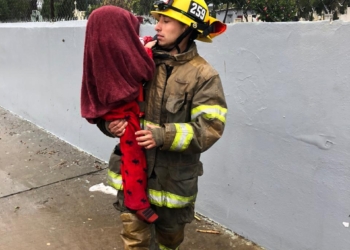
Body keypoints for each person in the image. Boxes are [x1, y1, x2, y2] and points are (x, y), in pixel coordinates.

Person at [97, 0, 228, 249]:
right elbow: (112, 104)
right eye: (157, 20)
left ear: (188, 29)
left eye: (166, 21)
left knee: (169, 242)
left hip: (172, 184)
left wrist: (163, 136)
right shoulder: (138, 62)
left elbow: (211, 127)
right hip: (132, 179)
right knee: (135, 241)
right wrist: (108, 124)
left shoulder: (204, 76)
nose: (157, 27)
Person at [80, 5, 158, 223]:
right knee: (133, 158)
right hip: (127, 114)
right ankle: (137, 202)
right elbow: (144, 69)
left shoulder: (101, 51)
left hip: (117, 111)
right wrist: (148, 50)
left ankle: (136, 201)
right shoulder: (128, 57)